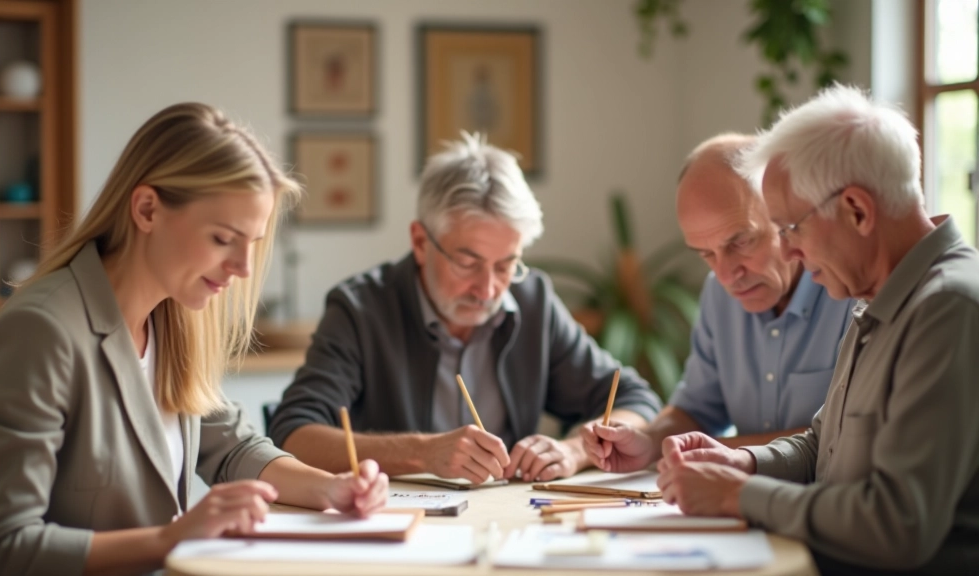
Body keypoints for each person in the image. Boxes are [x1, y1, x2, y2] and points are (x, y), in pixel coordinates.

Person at [0, 103, 389, 576]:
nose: (243, 268)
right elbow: (2, 549)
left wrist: (329, 488)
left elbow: (232, 447)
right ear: (147, 209)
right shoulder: (39, 333)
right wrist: (172, 538)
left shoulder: (173, 317)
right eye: (223, 239)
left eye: (251, 243)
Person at [600, 85, 979, 574]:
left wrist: (738, 494)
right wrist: (745, 462)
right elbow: (823, 445)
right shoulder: (878, 295)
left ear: (857, 211)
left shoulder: (947, 306)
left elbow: (898, 524)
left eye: (791, 228)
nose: (789, 251)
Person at [269, 132, 662, 484]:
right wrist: (423, 452)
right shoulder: (361, 309)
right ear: (420, 242)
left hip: (509, 520)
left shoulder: (533, 301)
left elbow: (633, 400)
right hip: (398, 522)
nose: (487, 289)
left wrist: (574, 451)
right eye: (467, 262)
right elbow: (292, 434)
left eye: (506, 264)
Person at [581, 134, 853, 472]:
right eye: (706, 254)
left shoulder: (851, 291)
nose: (726, 275)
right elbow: (696, 410)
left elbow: (841, 441)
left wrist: (722, 452)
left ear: (787, 217)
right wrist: (649, 442)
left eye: (740, 242)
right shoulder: (719, 293)